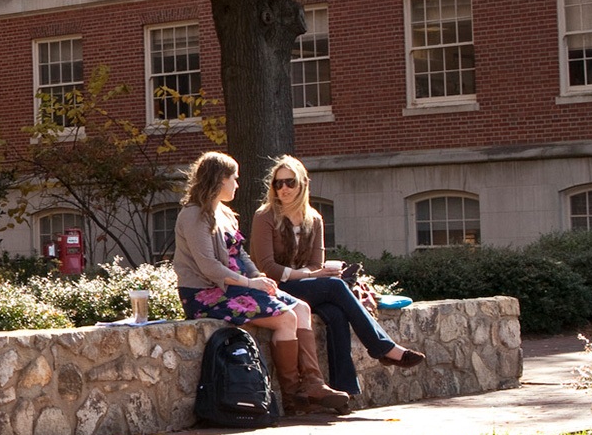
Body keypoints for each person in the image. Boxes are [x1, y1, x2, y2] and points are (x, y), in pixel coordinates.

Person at [172, 150, 352, 417]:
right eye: (233, 178)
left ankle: (313, 385)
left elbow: (240, 254)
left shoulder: (224, 213)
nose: (237, 184)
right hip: (206, 293)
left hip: (237, 286)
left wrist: (258, 278)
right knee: (286, 317)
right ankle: (293, 397)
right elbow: (208, 267)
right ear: (219, 179)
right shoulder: (193, 215)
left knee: (301, 309)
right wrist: (250, 283)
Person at [251, 156, 425, 396]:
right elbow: (268, 266)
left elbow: (316, 264)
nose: (284, 189)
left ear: (302, 184)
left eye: (290, 182)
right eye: (278, 184)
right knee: (334, 286)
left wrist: (314, 273)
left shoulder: (314, 219)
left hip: (305, 287)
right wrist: (309, 274)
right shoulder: (265, 216)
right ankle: (382, 347)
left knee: (336, 312)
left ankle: (344, 390)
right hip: (276, 288)